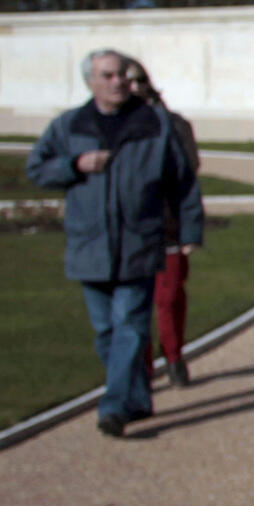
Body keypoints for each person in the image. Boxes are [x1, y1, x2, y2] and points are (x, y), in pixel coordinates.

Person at [26, 49, 206, 437]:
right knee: (107, 331)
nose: (119, 81)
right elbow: (37, 168)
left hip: (138, 243)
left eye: (123, 74)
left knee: (129, 326)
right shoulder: (69, 125)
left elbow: (182, 181)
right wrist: (74, 166)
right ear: (91, 81)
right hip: (90, 246)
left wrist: (189, 230)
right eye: (108, 75)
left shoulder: (154, 124)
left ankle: (114, 407)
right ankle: (137, 398)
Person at [120, 56, 202, 388]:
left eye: (139, 80)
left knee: (168, 298)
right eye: (127, 81)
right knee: (131, 305)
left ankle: (174, 356)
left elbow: (189, 172)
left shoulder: (174, 124)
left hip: (166, 226)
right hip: (128, 231)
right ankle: (142, 365)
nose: (133, 87)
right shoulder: (112, 127)